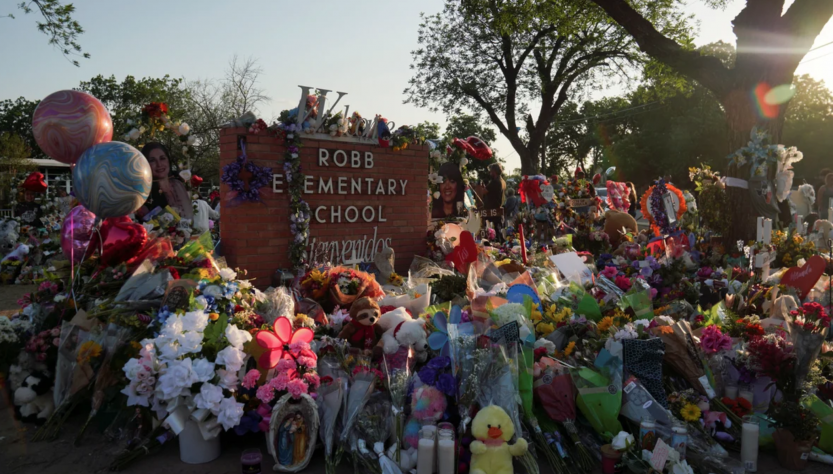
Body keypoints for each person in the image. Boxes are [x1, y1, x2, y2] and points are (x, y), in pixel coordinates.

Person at [136, 142, 193, 220]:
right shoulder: (143, 194)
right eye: (152, 160)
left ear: (168, 160)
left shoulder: (178, 184)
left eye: (162, 158)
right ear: (146, 164)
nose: (159, 164)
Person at [483, 163, 506, 242]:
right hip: (497, 206)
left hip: (492, 207)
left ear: (494, 172)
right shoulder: (502, 181)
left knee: (484, 225)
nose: (490, 173)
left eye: (491, 171)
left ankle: (489, 240)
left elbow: (484, 191)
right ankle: (500, 241)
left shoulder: (495, 182)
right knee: (498, 227)